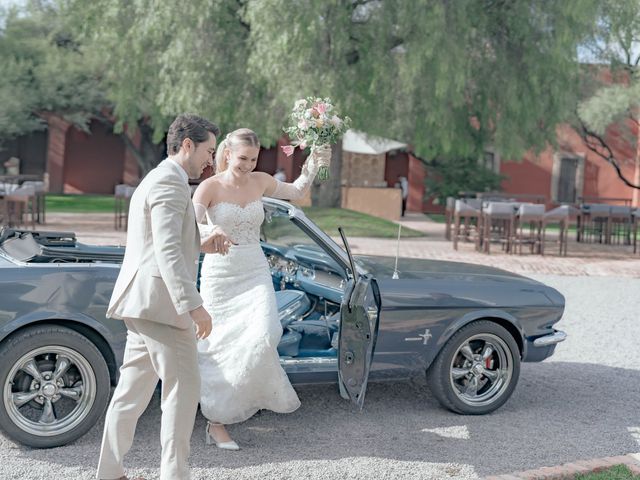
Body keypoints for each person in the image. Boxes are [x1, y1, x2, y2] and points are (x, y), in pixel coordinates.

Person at [97, 114, 223, 480]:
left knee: (131, 396)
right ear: (187, 145)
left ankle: (109, 472)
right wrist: (195, 306)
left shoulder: (158, 178)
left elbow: (159, 244)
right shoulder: (170, 183)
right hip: (164, 308)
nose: (210, 161)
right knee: (181, 398)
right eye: (208, 150)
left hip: (144, 304)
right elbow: (167, 252)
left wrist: (200, 244)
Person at [192, 128, 330, 450]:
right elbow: (190, 227)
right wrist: (212, 229)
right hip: (221, 273)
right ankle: (216, 423)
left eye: (253, 159)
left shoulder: (261, 181)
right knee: (221, 347)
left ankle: (242, 400)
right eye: (242, 158)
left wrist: (313, 161)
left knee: (265, 335)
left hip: (254, 270)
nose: (248, 165)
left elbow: (296, 191)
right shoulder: (209, 187)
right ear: (227, 153)